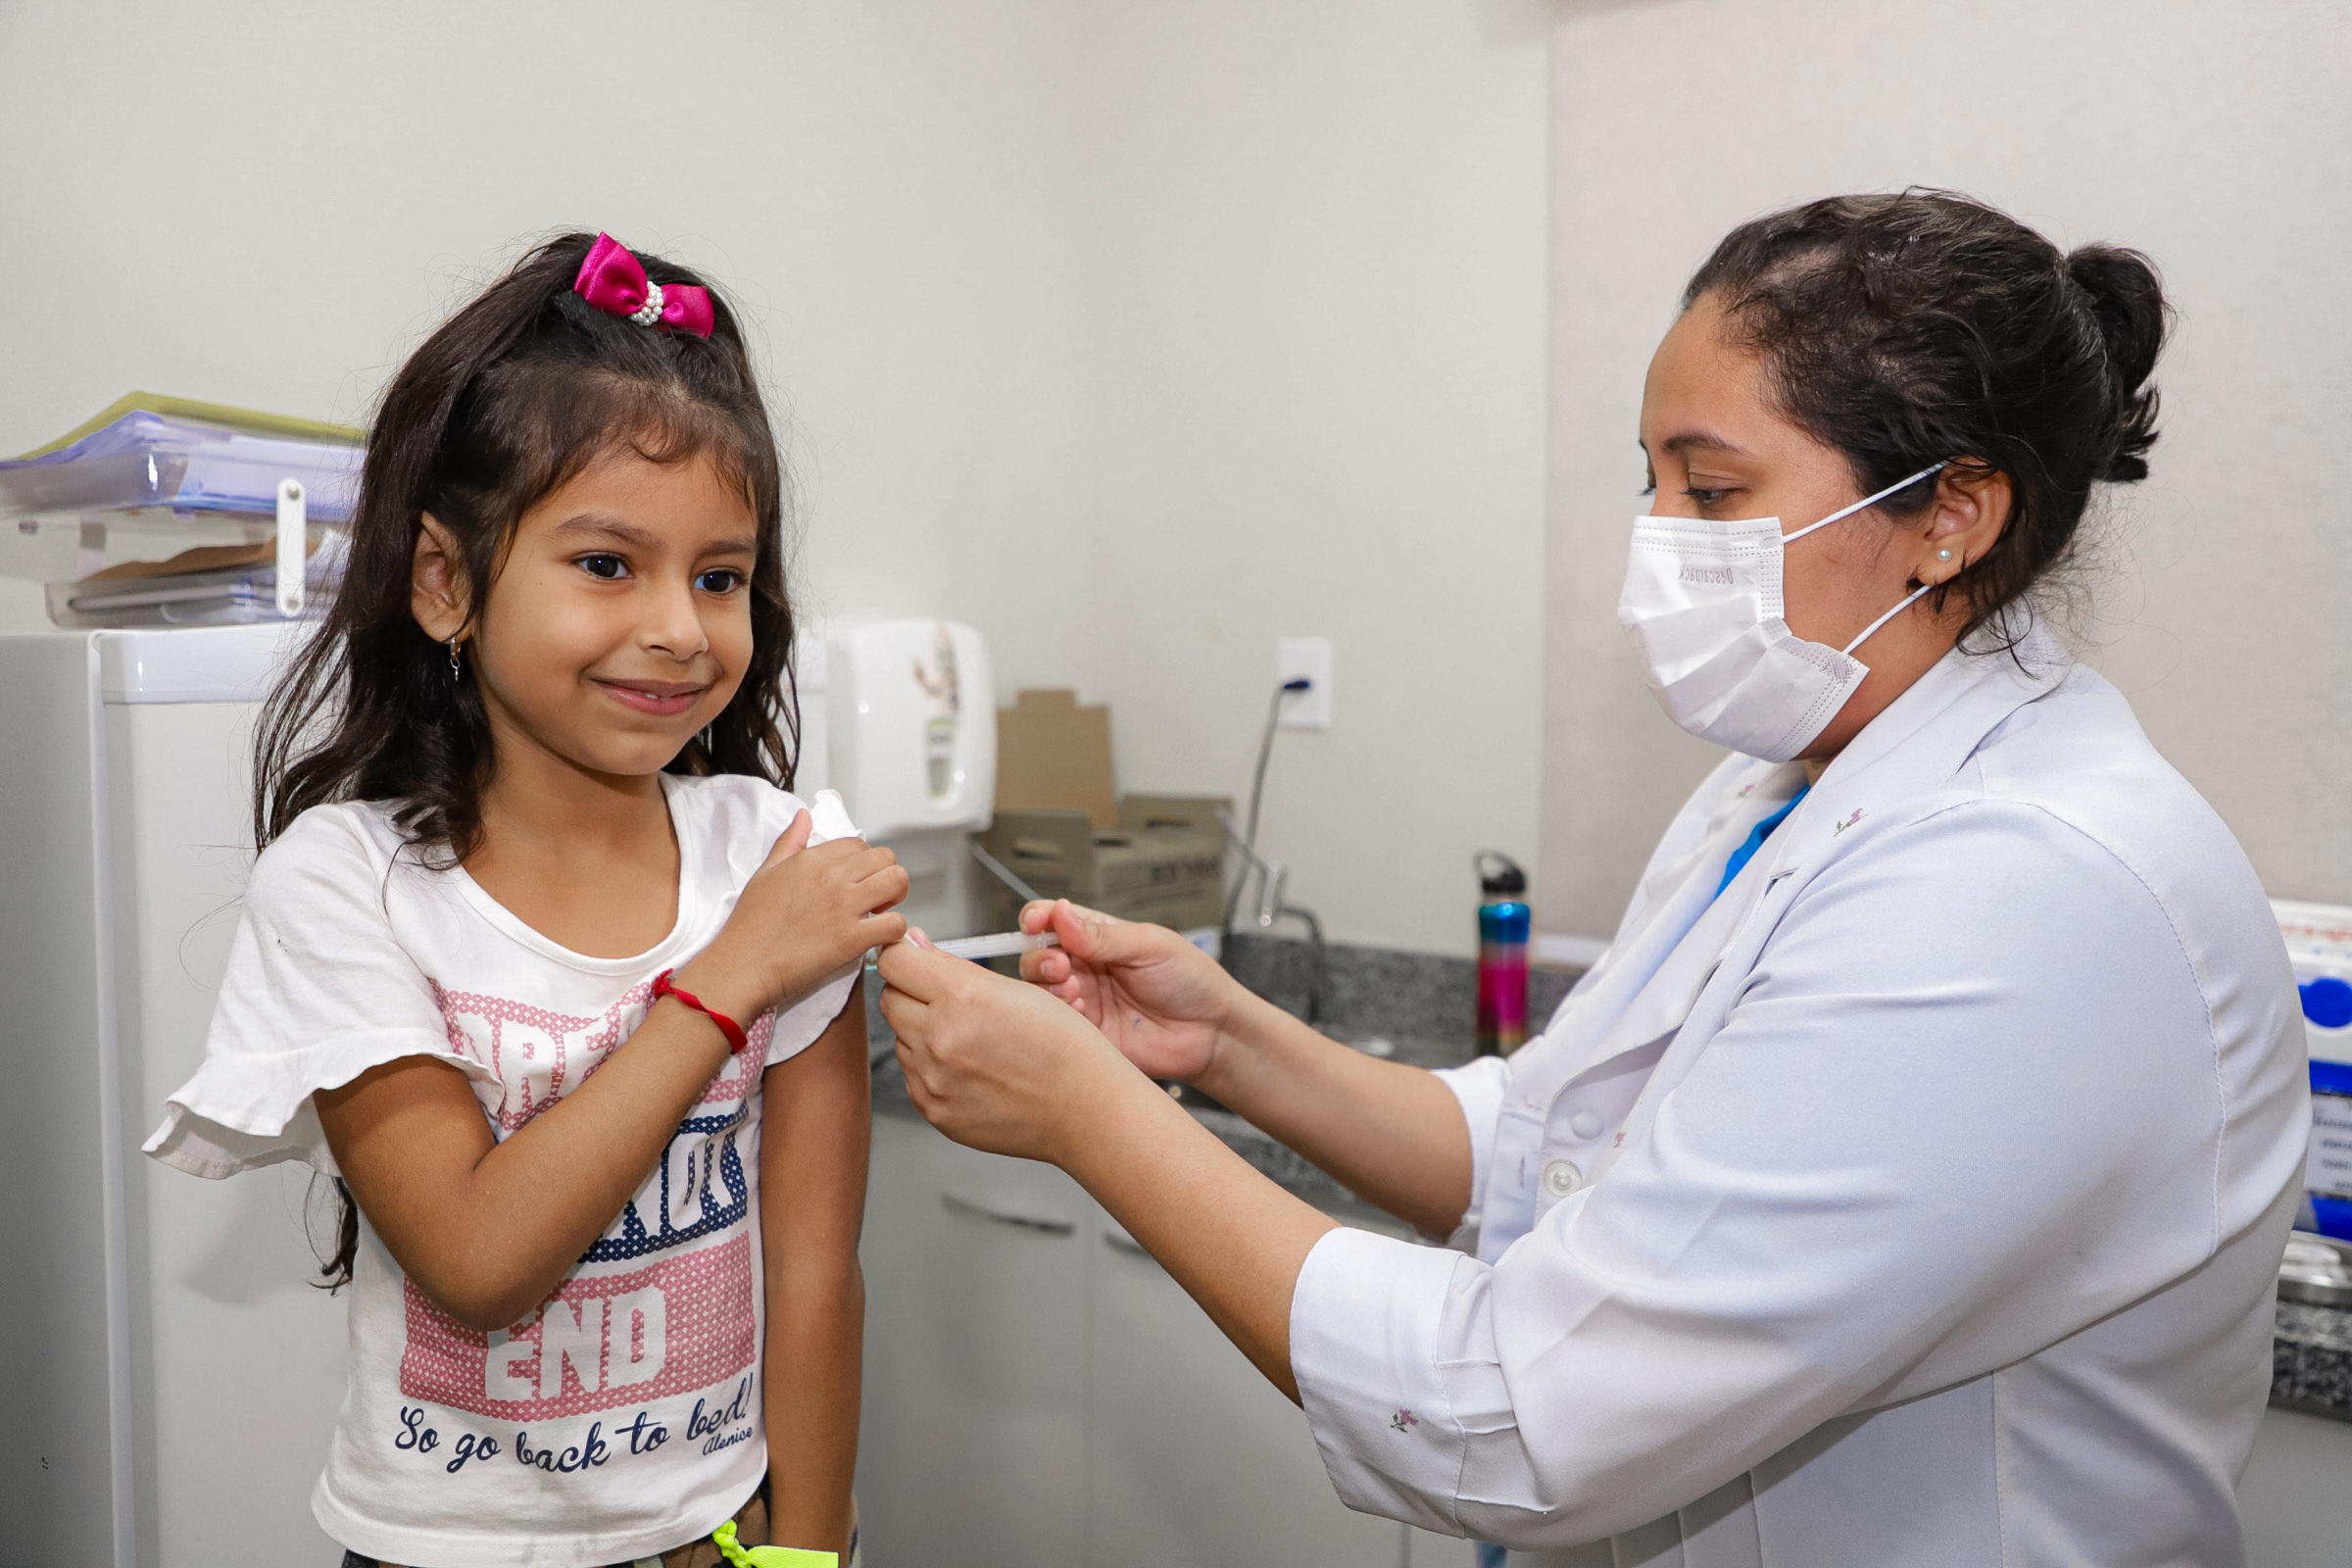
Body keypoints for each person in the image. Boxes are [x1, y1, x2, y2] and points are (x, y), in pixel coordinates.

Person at [876, 191, 2309, 1566]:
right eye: (1654, 483)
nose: (1660, 542)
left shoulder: (2023, 889)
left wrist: (1093, 1116)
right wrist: (1227, 1044)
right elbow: (1546, 1147)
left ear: (1953, 513)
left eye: (1714, 488)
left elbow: (1523, 1414)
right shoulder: (1787, 784)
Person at [145, 233, 905, 1568]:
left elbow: (816, 1270)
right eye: (608, 564)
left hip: (713, 1543)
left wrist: (808, 1550)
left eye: (719, 576)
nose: (681, 628)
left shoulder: (777, 857)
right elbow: (479, 1261)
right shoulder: (345, 883)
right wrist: (729, 978)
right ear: (445, 581)